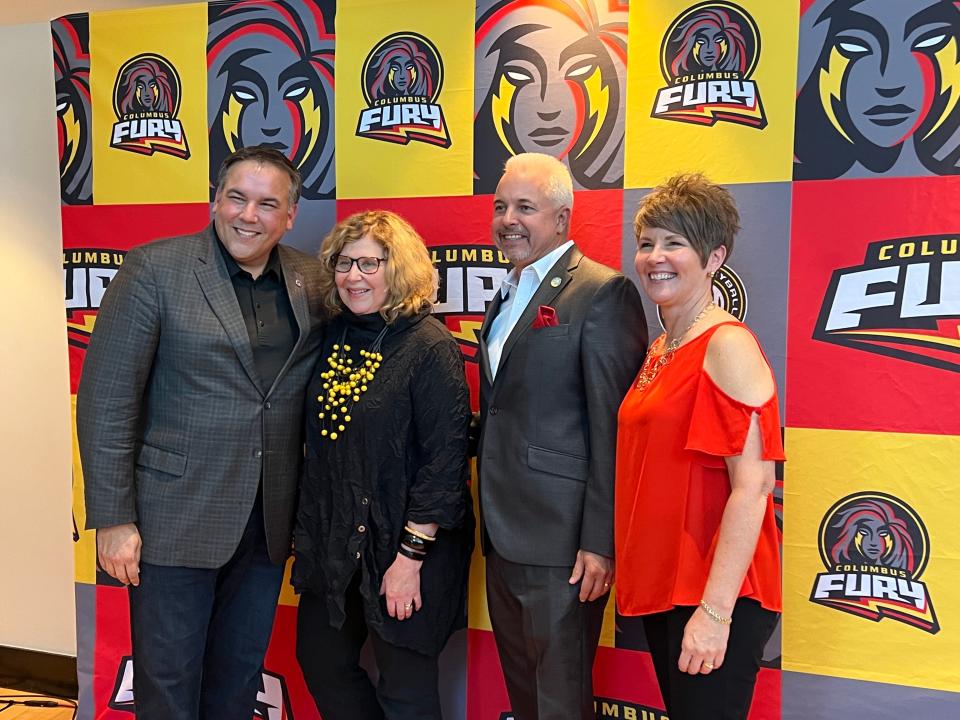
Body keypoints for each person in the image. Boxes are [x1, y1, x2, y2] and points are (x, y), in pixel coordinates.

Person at [77, 146, 325, 719]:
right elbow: (107, 400)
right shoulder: (154, 269)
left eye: (268, 204)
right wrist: (114, 519)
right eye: (237, 197)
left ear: (290, 216)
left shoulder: (312, 280)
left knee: (236, 683)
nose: (248, 215)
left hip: (267, 524)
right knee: (167, 685)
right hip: (172, 520)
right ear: (216, 200)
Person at [476, 152, 647, 719]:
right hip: (502, 535)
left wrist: (600, 541)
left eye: (526, 206)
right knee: (526, 698)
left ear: (562, 218)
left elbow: (612, 426)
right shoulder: (506, 292)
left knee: (560, 701)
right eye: (501, 207)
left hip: (564, 545)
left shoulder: (602, 292)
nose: (508, 220)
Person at [292, 210, 473, 720]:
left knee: (406, 689)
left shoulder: (429, 344)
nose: (353, 276)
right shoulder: (332, 336)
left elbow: (444, 462)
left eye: (370, 262)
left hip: (406, 546)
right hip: (336, 542)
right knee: (321, 661)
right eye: (344, 263)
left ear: (400, 267)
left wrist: (410, 559)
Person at [616, 174, 784, 719]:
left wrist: (715, 612)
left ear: (714, 258)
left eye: (675, 243)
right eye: (647, 243)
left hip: (714, 592)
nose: (655, 258)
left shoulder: (727, 344)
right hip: (667, 584)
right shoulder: (663, 346)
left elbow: (754, 485)